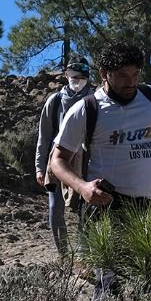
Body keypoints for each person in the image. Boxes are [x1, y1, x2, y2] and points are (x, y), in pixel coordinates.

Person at [48, 41, 151, 219]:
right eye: (122, 75)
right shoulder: (86, 109)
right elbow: (58, 160)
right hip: (104, 207)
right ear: (104, 74)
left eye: (135, 74)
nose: (131, 82)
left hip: (148, 206)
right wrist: (82, 187)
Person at [33, 57, 94, 256]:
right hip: (57, 160)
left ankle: (85, 255)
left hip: (86, 161)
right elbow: (44, 135)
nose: (78, 80)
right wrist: (40, 167)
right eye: (74, 76)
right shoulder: (55, 100)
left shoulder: (95, 100)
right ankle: (64, 255)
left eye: (82, 77)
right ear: (66, 75)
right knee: (55, 207)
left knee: (85, 210)